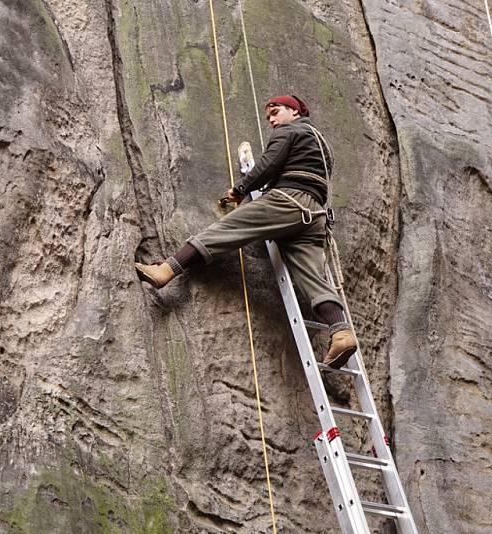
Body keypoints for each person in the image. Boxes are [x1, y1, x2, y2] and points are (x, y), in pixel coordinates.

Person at [134, 95, 357, 369]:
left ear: (295, 112)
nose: (272, 120)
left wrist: (239, 190)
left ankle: (166, 270)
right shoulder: (322, 144)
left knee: (227, 229)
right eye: (269, 117)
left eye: (276, 112)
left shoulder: (290, 131)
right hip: (314, 217)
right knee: (312, 277)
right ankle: (342, 333)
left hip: (287, 202)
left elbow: (268, 165)